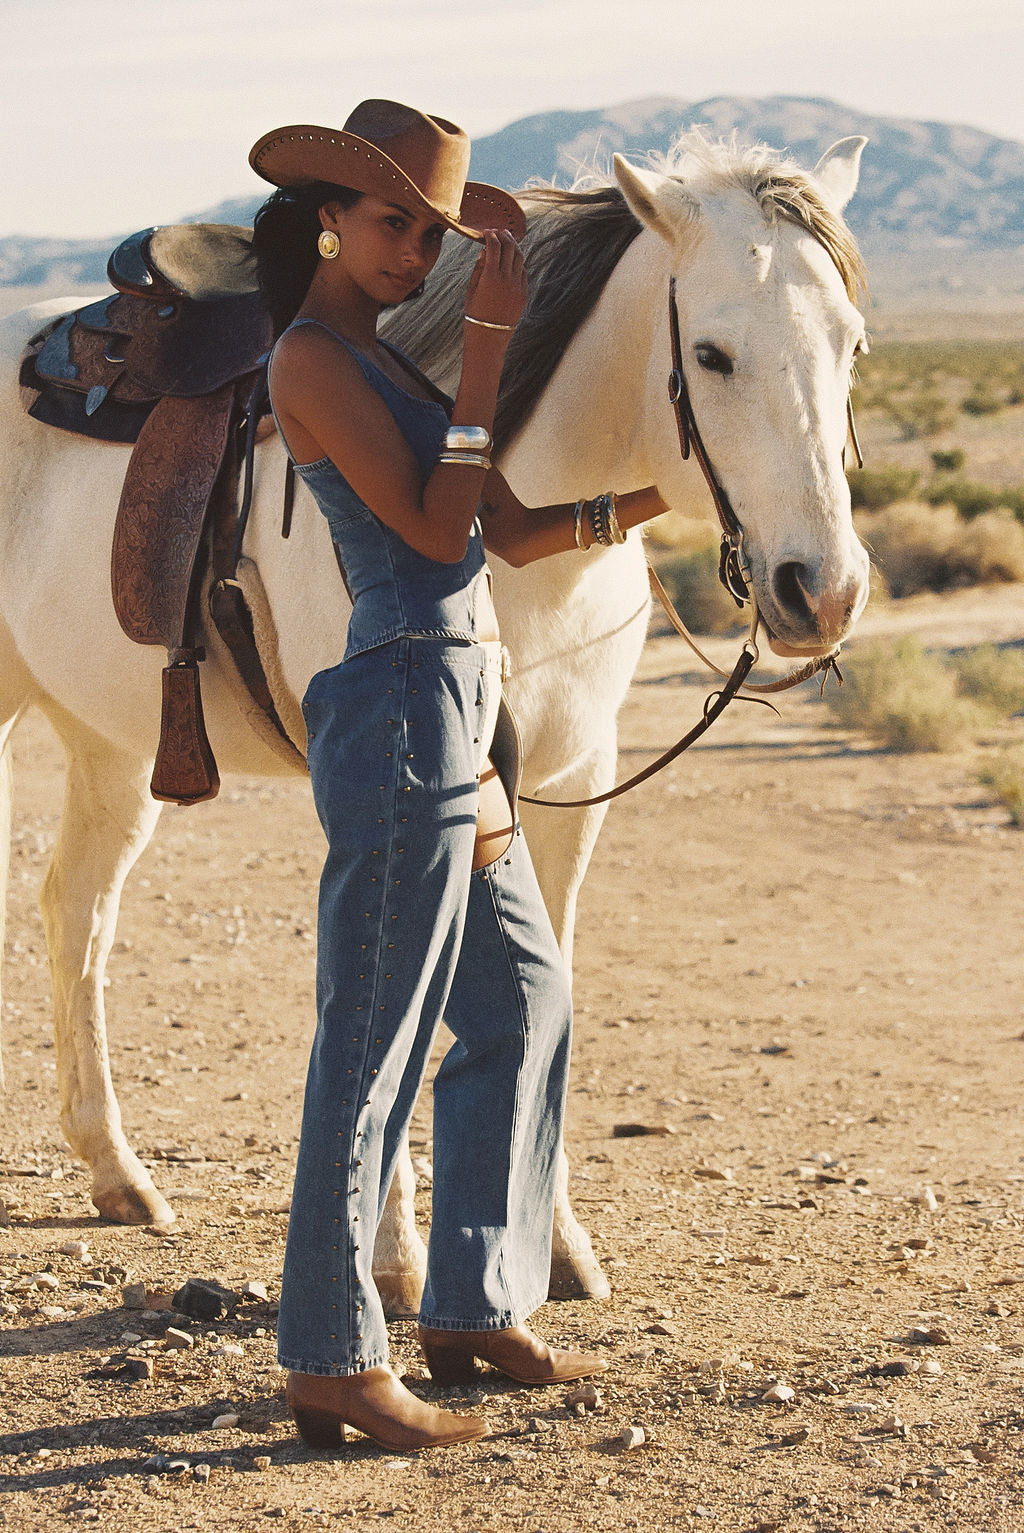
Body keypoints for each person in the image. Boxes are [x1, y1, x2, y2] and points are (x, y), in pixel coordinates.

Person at [249, 100, 668, 1453]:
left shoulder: (400, 372)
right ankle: (328, 1355)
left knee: (523, 993)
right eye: (391, 222)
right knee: (369, 1036)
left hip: (460, 706)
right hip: (401, 704)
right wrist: (487, 345)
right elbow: (434, 526)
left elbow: (513, 528)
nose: (413, 248)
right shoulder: (312, 365)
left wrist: (666, 492)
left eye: (431, 230)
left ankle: (477, 1300)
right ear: (330, 214)